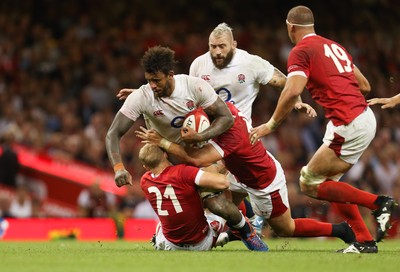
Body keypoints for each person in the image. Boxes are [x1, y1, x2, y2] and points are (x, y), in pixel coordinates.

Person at [117, 23, 317, 234]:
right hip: (209, 135)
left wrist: (297, 101)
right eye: (213, 46)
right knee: (217, 195)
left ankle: (244, 227)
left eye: (222, 46)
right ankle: (247, 223)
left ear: (234, 45)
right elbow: (182, 89)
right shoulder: (199, 65)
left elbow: (283, 82)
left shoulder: (250, 63)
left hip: (237, 135)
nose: (217, 51)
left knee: (204, 187)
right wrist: (147, 93)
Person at [249, 5, 397, 253]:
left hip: (348, 121)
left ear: (291, 27)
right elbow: (365, 85)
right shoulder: (335, 46)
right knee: (329, 183)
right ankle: (364, 240)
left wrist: (271, 124)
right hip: (360, 115)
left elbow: (293, 90)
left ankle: (379, 203)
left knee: (308, 182)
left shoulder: (301, 51)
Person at [105, 45, 267, 251]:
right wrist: (118, 167)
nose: (151, 85)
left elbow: (226, 117)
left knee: (216, 205)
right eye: (148, 80)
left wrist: (200, 136)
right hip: (167, 156)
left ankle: (247, 232)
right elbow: (113, 133)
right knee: (148, 159)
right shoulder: (142, 96)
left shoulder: (194, 87)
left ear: (170, 75)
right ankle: (167, 232)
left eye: (156, 80)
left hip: (197, 151)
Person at [136, 102, 356, 250]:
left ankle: (340, 230)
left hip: (262, 181)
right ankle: (245, 229)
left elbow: (195, 160)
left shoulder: (232, 137)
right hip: (237, 171)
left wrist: (164, 143)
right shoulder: (225, 109)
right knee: (211, 196)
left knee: (284, 229)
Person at [138, 143, 228, 251]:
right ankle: (235, 228)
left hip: (169, 245)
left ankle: (158, 239)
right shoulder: (183, 172)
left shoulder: (144, 181)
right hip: (200, 244)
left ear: (146, 167)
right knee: (222, 202)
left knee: (161, 224)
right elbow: (223, 183)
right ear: (166, 154)